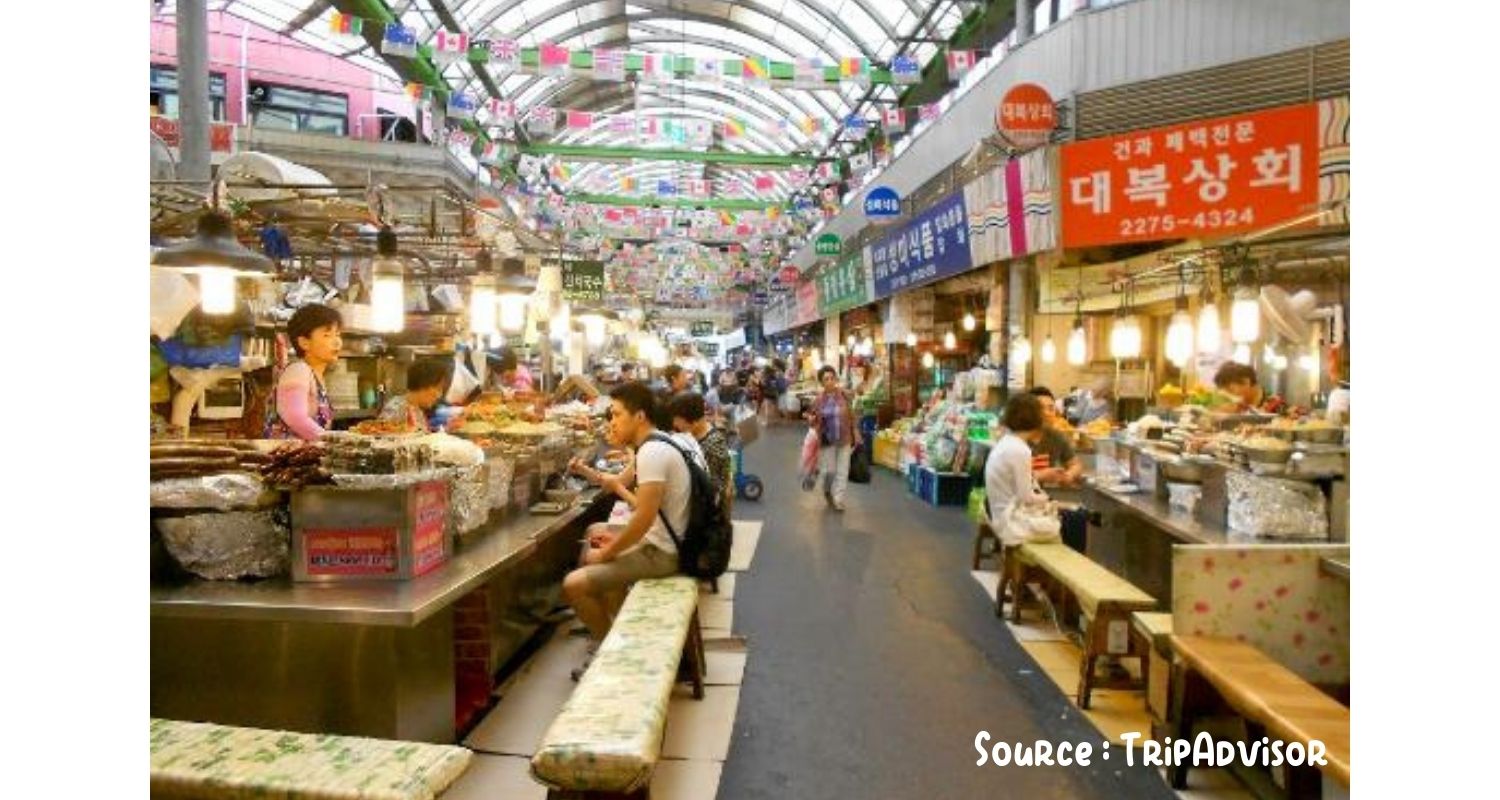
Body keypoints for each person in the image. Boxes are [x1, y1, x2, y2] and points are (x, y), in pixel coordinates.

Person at [563, 383, 705, 676]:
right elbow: (643, 514)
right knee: (599, 549)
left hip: (664, 554)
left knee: (573, 584)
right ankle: (620, 637)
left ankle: (609, 654)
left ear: (639, 416)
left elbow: (643, 517)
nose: (612, 422)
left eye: (617, 415)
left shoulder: (652, 453)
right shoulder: (657, 443)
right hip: (665, 543)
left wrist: (609, 552)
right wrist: (614, 544)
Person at [265, 303, 342, 440]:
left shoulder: (316, 377)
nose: (337, 342)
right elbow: (295, 417)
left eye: (338, 334)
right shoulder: (298, 370)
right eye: (327, 335)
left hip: (304, 458)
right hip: (285, 458)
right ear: (304, 343)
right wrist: (334, 442)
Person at [984, 393, 1050, 529]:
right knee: (1073, 520)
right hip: (1012, 522)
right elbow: (1025, 497)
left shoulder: (1007, 442)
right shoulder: (1020, 450)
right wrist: (1047, 499)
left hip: (1001, 514)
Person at [669, 392, 733, 514]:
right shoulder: (694, 435)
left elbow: (712, 490)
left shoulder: (711, 446)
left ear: (694, 422)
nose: (674, 424)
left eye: (678, 420)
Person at [807, 366, 860, 511]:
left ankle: (838, 499)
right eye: (826, 379)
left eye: (832, 378)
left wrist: (856, 432)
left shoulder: (844, 395)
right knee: (829, 471)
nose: (830, 382)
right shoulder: (818, 400)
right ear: (821, 383)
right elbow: (811, 419)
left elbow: (852, 415)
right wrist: (811, 419)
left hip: (844, 438)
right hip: (827, 440)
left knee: (843, 470)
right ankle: (827, 490)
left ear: (836, 379)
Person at [1027, 387, 1084, 488]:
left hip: (1038, 497)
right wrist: (1040, 475)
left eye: (1051, 408)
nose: (1047, 413)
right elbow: (1009, 476)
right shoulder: (1017, 438)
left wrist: (1069, 475)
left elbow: (1075, 464)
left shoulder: (1056, 436)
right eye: (1040, 408)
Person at [379, 360, 452, 432]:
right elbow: (380, 435)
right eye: (438, 389)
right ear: (424, 384)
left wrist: (448, 428)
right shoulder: (395, 408)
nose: (439, 395)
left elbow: (422, 434)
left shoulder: (416, 408)